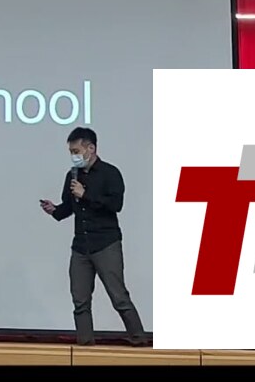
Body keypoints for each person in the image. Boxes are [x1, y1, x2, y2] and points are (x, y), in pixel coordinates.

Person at [39, 126, 146, 347]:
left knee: (119, 297)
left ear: (91, 148)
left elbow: (115, 205)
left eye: (76, 151)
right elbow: (69, 207)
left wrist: (86, 194)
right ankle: (85, 346)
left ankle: (139, 340)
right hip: (80, 246)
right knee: (80, 300)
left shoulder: (110, 173)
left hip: (106, 243)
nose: (73, 156)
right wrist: (54, 210)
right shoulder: (72, 175)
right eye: (71, 152)